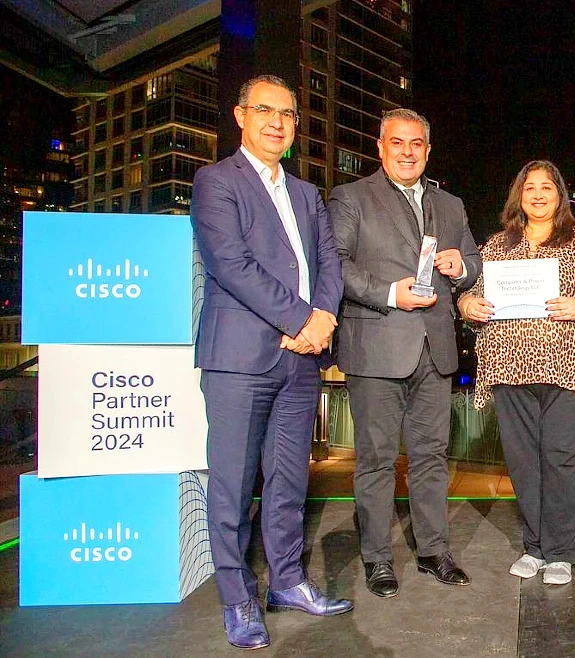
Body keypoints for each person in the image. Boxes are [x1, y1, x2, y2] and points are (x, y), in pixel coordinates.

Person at [192, 74, 351, 650]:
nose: (276, 121)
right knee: (232, 486)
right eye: (264, 110)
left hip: (300, 362)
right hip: (240, 359)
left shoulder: (308, 194)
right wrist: (300, 320)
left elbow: (329, 264)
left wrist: (323, 319)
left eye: (286, 113)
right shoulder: (215, 182)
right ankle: (238, 600)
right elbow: (230, 264)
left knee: (287, 482)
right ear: (240, 115)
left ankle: (287, 583)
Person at [328, 108, 482, 598]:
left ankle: (434, 551)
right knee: (375, 459)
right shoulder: (350, 198)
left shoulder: (452, 205)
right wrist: (391, 294)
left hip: (434, 350)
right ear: (381, 147)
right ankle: (376, 558)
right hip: (376, 347)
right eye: (398, 143)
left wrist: (462, 268)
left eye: (417, 143)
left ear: (428, 150)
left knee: (432, 458)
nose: (408, 151)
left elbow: (473, 264)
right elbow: (334, 265)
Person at [457, 161, 575, 586]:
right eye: (531, 187)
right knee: (524, 463)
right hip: (510, 370)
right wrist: (467, 306)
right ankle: (535, 546)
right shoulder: (496, 246)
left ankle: (561, 552)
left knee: (562, 460)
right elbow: (471, 297)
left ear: (560, 195)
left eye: (547, 187)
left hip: (571, 369)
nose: (539, 194)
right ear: (519, 195)